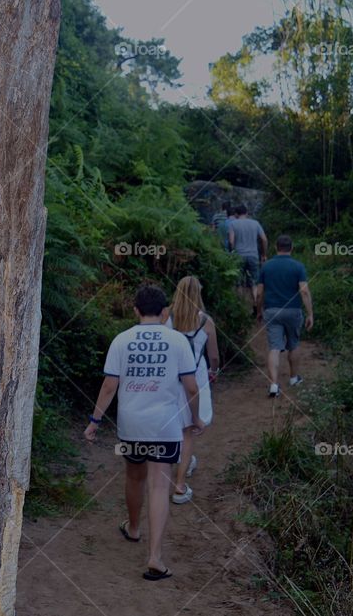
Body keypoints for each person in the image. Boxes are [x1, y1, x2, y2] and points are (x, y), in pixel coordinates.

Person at [84, 285, 203, 581]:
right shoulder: (177, 341)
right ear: (165, 312)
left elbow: (110, 386)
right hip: (165, 424)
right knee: (160, 486)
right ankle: (155, 558)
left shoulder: (121, 340)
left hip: (131, 424)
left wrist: (94, 421)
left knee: (134, 476)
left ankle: (134, 528)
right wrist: (197, 418)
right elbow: (190, 387)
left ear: (135, 310)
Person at [165, 276, 219, 504]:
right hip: (195, 377)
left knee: (171, 426)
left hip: (168, 378)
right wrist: (214, 370)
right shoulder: (206, 321)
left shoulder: (166, 315)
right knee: (188, 430)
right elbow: (214, 355)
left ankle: (167, 475)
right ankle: (179, 487)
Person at [257, 235, 314, 397]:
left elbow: (260, 292)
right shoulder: (298, 266)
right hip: (293, 310)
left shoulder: (266, 267)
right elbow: (304, 291)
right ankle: (294, 378)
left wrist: (258, 311)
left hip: (272, 310)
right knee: (293, 344)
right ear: (292, 248)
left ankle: (274, 385)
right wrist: (310, 313)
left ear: (276, 247)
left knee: (274, 347)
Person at [229, 205, 268, 315]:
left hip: (238, 256)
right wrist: (264, 254)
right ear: (247, 213)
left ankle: (240, 308)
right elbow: (264, 239)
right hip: (253, 255)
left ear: (236, 214)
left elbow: (231, 241)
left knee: (239, 283)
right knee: (254, 282)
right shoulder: (255, 223)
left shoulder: (233, 224)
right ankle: (256, 305)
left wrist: (233, 252)